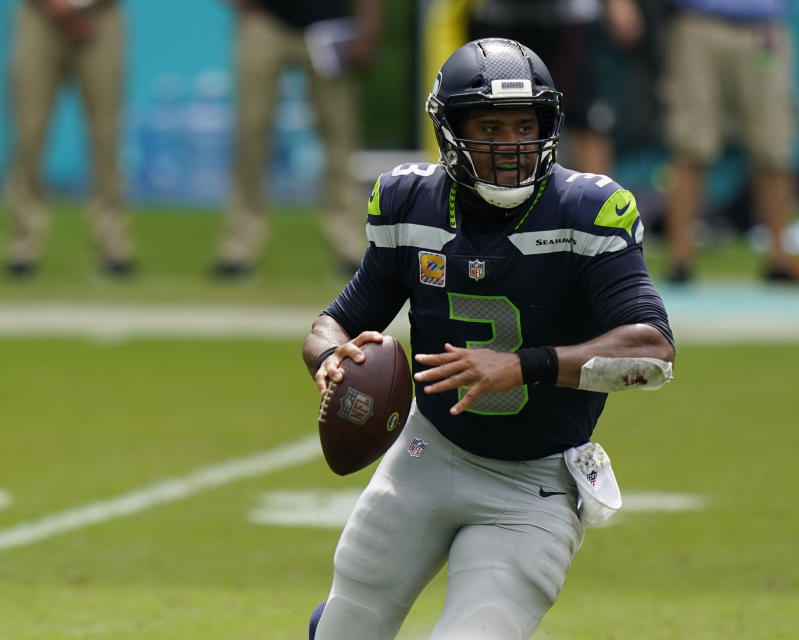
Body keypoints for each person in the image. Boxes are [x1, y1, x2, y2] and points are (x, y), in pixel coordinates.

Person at [301, 38, 675, 639]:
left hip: (534, 484)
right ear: (452, 131)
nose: (511, 147)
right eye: (491, 127)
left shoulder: (586, 210)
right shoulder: (410, 202)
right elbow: (334, 321)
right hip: (426, 456)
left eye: (525, 126)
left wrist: (524, 366)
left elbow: (653, 350)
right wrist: (328, 356)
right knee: (346, 631)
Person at [213, 0, 381, 278]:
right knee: (251, 136)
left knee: (340, 139)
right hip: (265, 19)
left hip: (331, 26)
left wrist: (368, 30)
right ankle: (238, 247)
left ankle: (350, 245)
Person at [662, 0, 799, 283]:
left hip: (764, 28)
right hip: (698, 22)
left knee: (774, 146)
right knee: (690, 144)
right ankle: (679, 260)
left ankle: (780, 259)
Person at [5, 0, 133, 278]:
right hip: (38, 14)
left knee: (106, 137)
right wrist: (61, 9)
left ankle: (113, 246)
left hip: (101, 16)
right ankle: (23, 246)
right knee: (29, 135)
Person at [468, 0, 645, 178]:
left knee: (587, 120)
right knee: (491, 115)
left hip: (568, 19)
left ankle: (598, 203)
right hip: (496, 17)